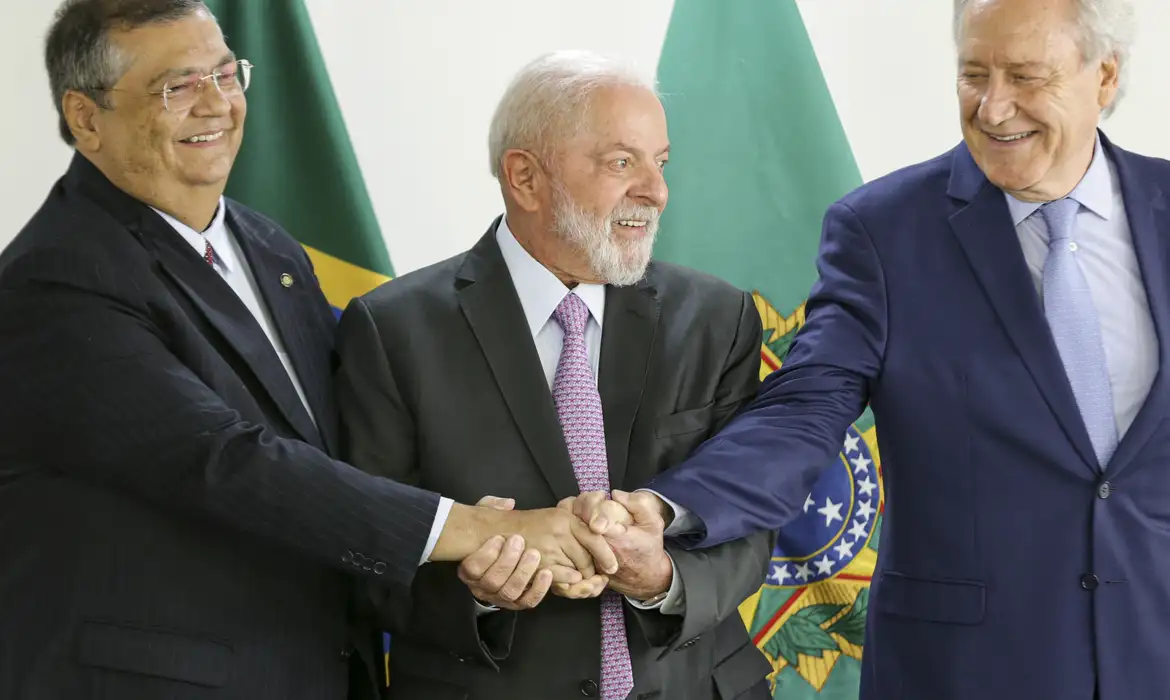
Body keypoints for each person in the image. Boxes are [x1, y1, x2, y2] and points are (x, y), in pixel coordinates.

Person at [0, 3, 618, 699]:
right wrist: (480, 529)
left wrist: (510, 543)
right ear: (86, 117)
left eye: (226, 75)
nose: (217, 104)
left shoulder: (269, 248)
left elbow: (354, 424)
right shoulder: (56, 280)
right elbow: (226, 461)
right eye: (177, 87)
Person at [579, 0, 1169, 698]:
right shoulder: (885, 232)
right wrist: (667, 507)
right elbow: (802, 413)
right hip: (965, 670)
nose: (992, 107)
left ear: (1105, 76)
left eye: (1026, 76)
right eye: (974, 74)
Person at [334, 51, 774, 700]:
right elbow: (362, 551)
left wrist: (663, 578)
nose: (656, 192)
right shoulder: (391, 330)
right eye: (622, 162)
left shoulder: (718, 317)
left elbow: (749, 515)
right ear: (525, 178)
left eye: (660, 162)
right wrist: (477, 595)